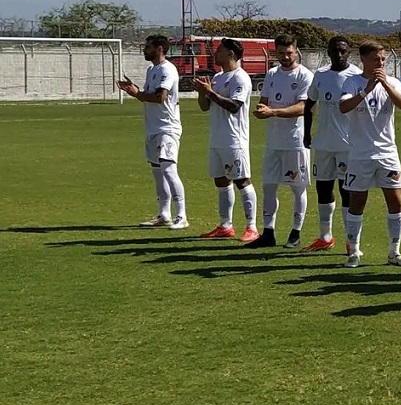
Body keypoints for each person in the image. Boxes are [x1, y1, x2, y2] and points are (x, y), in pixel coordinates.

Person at [339, 41, 401, 268]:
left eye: (383, 59)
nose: (380, 63)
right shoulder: (352, 82)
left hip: (387, 152)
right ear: (363, 59)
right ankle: (354, 253)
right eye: (375, 59)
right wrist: (366, 90)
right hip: (360, 154)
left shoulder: (392, 82)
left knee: (396, 201)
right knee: (356, 203)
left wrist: (385, 85)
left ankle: (394, 252)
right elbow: (343, 107)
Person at [245, 34, 314, 248]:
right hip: (273, 141)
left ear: (296, 51)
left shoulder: (305, 75)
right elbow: (264, 102)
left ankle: (296, 232)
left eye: (289, 53)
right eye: (281, 53)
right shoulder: (272, 74)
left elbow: (303, 107)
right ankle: (268, 233)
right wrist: (261, 110)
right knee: (268, 187)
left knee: (297, 188)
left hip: (295, 141)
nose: (285, 57)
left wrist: (273, 112)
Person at [117, 34, 189, 230]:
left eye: (148, 47)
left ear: (159, 49)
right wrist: (134, 89)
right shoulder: (151, 70)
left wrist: (137, 94)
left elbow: (160, 97)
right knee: (158, 172)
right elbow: (149, 94)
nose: (144, 50)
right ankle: (164, 214)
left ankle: (182, 216)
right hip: (152, 128)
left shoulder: (168, 69)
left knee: (169, 170)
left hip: (167, 128)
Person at [193, 38, 259, 241]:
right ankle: (225, 225)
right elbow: (205, 106)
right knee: (221, 181)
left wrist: (210, 93)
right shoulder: (218, 77)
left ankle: (252, 227)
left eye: (219, 50)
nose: (215, 53)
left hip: (234, 139)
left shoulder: (240, 78)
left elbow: (234, 106)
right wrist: (203, 93)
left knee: (242, 180)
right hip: (217, 138)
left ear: (230, 53)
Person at [303, 35, 362, 251]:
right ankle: (325, 237)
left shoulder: (356, 76)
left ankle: (350, 241)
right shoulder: (320, 75)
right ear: (328, 52)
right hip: (323, 144)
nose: (338, 54)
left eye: (343, 51)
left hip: (347, 146)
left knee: (347, 191)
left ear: (349, 52)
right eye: (334, 50)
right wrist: (306, 134)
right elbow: (309, 104)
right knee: (323, 189)